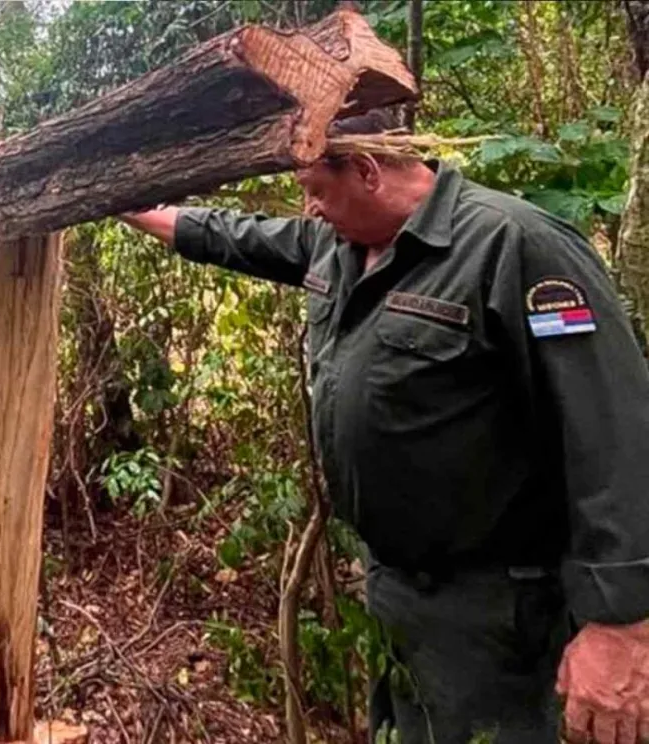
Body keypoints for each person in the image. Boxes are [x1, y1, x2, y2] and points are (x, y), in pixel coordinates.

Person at [120, 109, 649, 744]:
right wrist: (126, 203)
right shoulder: (339, 247)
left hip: (496, 611)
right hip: (395, 591)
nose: (311, 209)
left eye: (316, 190)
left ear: (367, 171)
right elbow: (239, 237)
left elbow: (612, 429)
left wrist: (621, 624)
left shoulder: (515, 245)